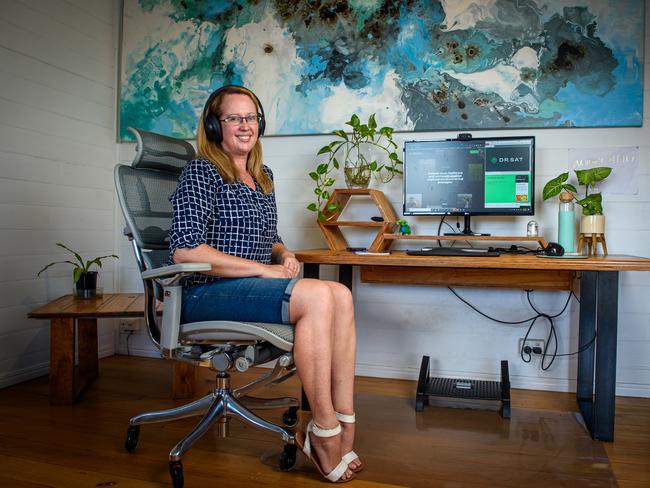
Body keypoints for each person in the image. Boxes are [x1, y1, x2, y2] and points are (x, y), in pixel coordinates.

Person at [168, 85, 362, 482]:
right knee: (317, 298)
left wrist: (284, 255)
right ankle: (323, 430)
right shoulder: (202, 171)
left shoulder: (262, 175)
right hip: (204, 293)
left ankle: (345, 421)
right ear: (214, 125)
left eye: (251, 117)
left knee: (340, 293)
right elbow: (185, 251)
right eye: (234, 118)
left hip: (247, 290)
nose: (245, 125)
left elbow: (269, 237)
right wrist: (261, 270)